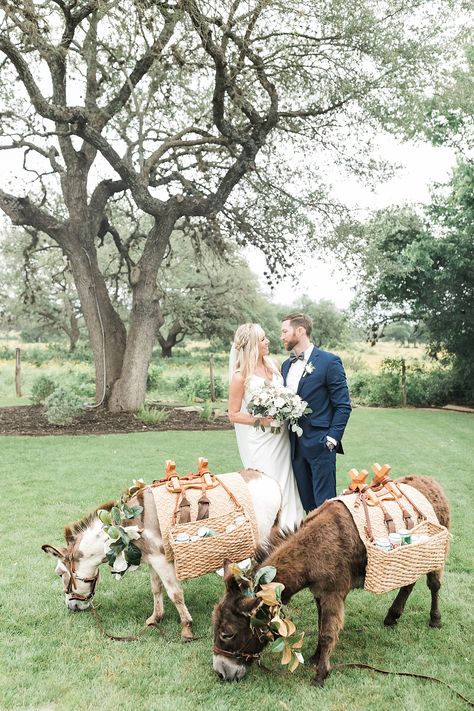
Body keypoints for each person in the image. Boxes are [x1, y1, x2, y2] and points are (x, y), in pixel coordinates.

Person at [228, 323, 305, 530]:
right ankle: (266, 533)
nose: (268, 341)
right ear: (253, 344)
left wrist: (288, 407)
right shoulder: (240, 375)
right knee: (267, 486)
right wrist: (260, 420)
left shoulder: (273, 364)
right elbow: (233, 414)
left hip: (282, 438)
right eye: (263, 339)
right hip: (262, 440)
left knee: (287, 481)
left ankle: (291, 529)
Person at [281, 312, 352, 512]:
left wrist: (332, 439)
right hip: (294, 446)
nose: (282, 336)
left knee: (325, 507)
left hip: (321, 444)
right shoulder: (286, 365)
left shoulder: (329, 362)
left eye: (285, 331)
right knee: (307, 505)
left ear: (300, 331)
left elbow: (343, 405)